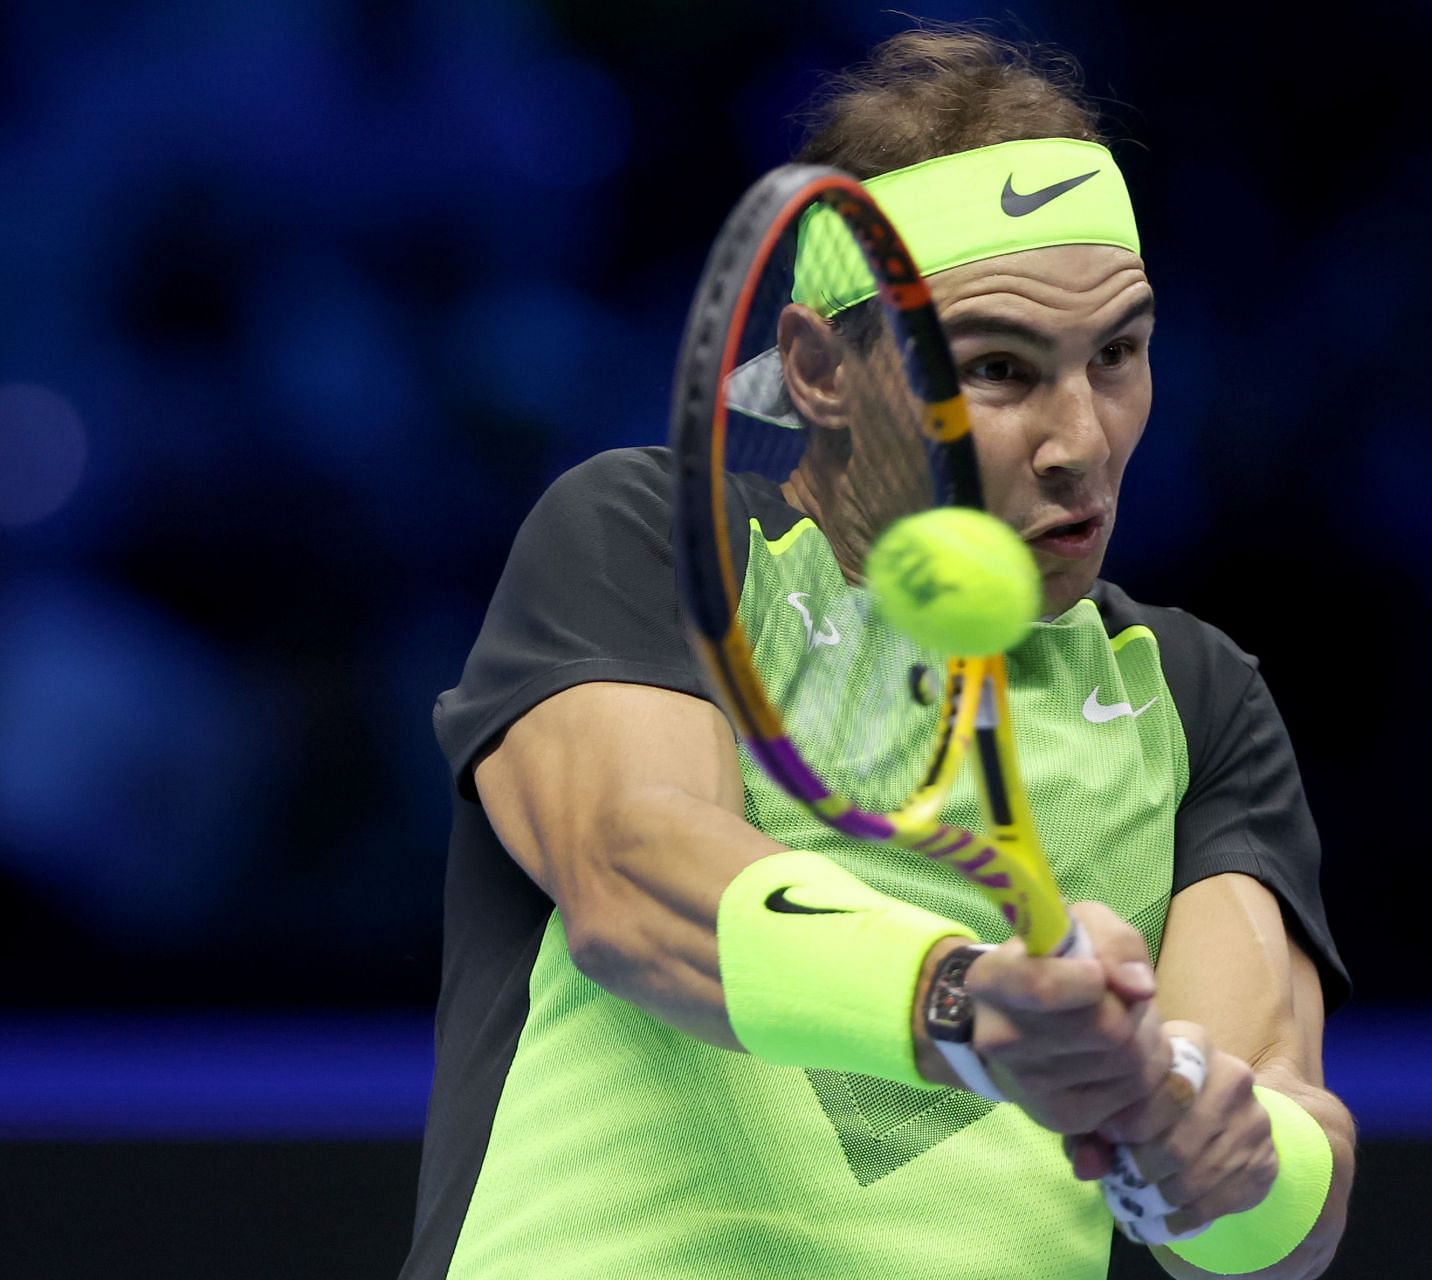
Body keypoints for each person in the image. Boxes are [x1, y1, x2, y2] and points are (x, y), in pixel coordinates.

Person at [402, 27, 1354, 1280]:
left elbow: (1275, 1166)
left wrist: (1219, 1155)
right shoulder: (655, 537)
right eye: (1001, 371)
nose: (1083, 441)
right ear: (819, 367)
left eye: (1118, 353)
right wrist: (963, 1005)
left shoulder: (1195, 697)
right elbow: (637, 878)